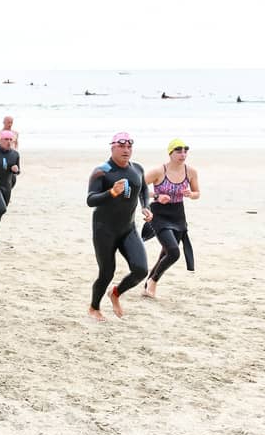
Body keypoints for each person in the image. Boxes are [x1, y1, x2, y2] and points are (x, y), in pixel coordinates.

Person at [86, 132, 153, 322]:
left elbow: (143, 189)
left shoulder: (137, 169)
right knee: (106, 273)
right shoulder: (102, 171)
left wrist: (146, 206)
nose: (126, 150)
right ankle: (94, 307)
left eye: (129, 146)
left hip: (128, 229)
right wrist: (111, 192)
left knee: (141, 270)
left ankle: (115, 293)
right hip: (104, 230)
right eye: (121, 146)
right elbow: (90, 200)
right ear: (112, 147)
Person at [141, 139, 201, 298]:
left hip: (178, 215)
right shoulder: (158, 171)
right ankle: (153, 281)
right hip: (158, 214)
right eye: (179, 151)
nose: (183, 154)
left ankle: (148, 285)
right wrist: (157, 195)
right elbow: (138, 189)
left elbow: (197, 193)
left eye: (185, 151)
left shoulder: (191, 172)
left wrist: (191, 194)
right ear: (170, 153)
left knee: (165, 253)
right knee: (174, 252)